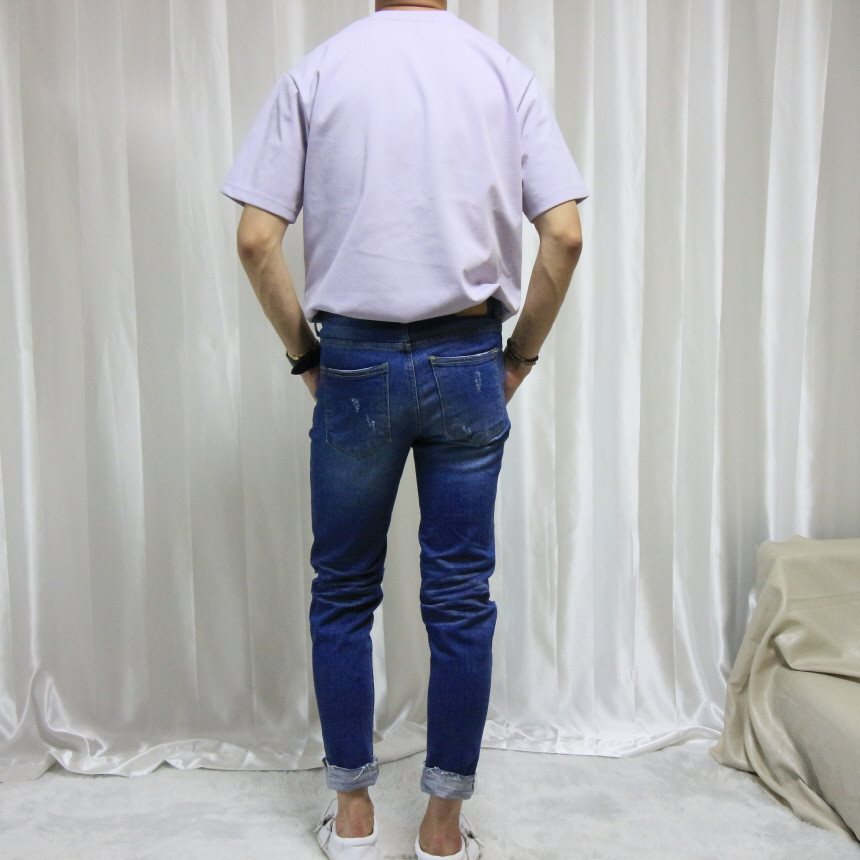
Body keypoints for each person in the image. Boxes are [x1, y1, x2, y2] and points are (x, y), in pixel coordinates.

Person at [218, 1, 589, 857]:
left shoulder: (319, 72)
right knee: (459, 597)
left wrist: (308, 357)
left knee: (343, 591)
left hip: (355, 360)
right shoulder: (502, 73)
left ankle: (352, 816)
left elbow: (255, 239)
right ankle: (443, 829)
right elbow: (564, 236)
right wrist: (519, 357)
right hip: (468, 358)